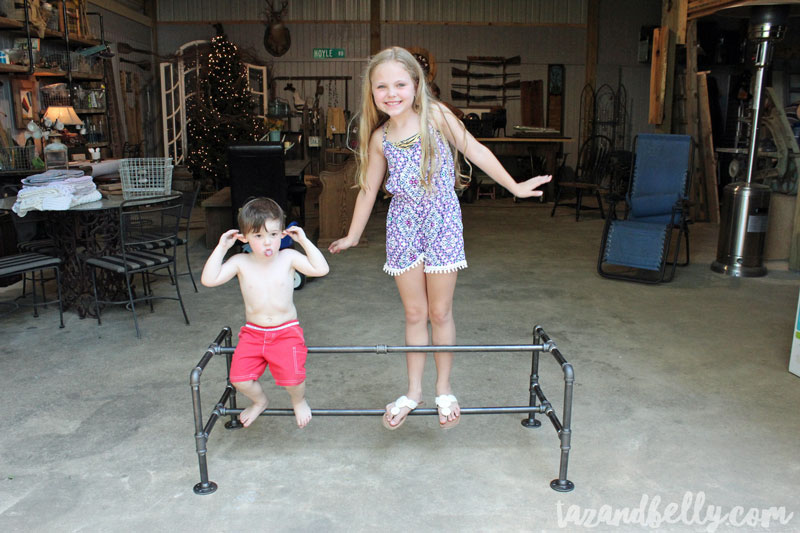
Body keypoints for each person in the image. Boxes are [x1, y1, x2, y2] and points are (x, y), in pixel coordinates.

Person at [328, 46, 551, 430]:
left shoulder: (437, 116)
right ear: (371, 92)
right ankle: (413, 392)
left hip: (442, 220)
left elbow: (476, 150)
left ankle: (444, 389)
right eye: (382, 86)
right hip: (402, 226)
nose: (391, 93)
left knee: (439, 312)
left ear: (416, 84)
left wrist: (514, 187)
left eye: (400, 84)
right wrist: (352, 235)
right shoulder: (380, 137)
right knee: (414, 313)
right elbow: (368, 188)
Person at [201, 197, 329, 428]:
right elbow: (209, 280)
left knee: (293, 379)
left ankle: (298, 401)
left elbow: (321, 269)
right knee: (239, 379)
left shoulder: (288, 258)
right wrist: (222, 248)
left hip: (286, 331)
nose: (267, 242)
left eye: (273, 234)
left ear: (283, 234)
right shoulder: (240, 261)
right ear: (244, 237)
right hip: (253, 333)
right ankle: (260, 401)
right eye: (258, 236)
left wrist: (305, 241)